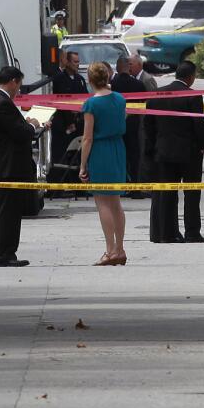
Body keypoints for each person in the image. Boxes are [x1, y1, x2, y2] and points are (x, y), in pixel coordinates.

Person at [142, 60, 204, 243]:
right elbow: (199, 125)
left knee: (168, 193)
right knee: (191, 194)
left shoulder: (158, 94)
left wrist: (152, 147)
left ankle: (167, 232)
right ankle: (192, 232)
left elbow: (148, 125)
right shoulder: (193, 96)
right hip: (189, 153)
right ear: (191, 77)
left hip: (164, 152)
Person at [0, 66, 41, 267]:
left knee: (8, 212)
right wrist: (33, 124)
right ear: (13, 81)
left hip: (6, 166)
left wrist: (30, 126)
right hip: (9, 168)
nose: (19, 90)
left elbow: (13, 130)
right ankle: (5, 254)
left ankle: (6, 252)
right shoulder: (2, 104)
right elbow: (20, 133)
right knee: (8, 214)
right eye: (19, 85)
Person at [80, 62, 129, 265]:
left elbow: (87, 138)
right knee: (115, 202)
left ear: (90, 80)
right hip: (118, 148)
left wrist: (83, 165)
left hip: (100, 150)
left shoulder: (91, 104)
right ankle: (120, 247)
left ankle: (109, 250)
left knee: (103, 202)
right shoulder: (120, 99)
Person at [110, 55, 146, 196]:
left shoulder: (112, 85)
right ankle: (135, 188)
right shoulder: (138, 85)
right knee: (134, 156)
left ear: (118, 68)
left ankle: (118, 186)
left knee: (117, 157)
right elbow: (144, 105)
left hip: (115, 126)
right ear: (128, 67)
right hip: (133, 126)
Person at [50, 50, 88, 166]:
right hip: (63, 124)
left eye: (78, 62)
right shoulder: (58, 79)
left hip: (78, 123)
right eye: (75, 62)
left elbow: (86, 98)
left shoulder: (80, 80)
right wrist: (69, 122)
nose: (77, 64)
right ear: (67, 62)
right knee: (62, 154)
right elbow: (59, 102)